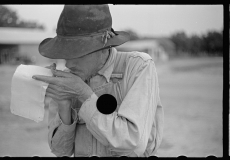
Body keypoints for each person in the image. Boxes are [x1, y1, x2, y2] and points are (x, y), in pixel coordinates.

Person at [32, 4, 164, 157]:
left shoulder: (138, 66)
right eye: (65, 54)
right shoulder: (68, 81)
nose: (68, 64)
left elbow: (133, 145)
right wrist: (64, 106)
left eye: (77, 53)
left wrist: (83, 94)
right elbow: (60, 151)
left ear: (103, 47)